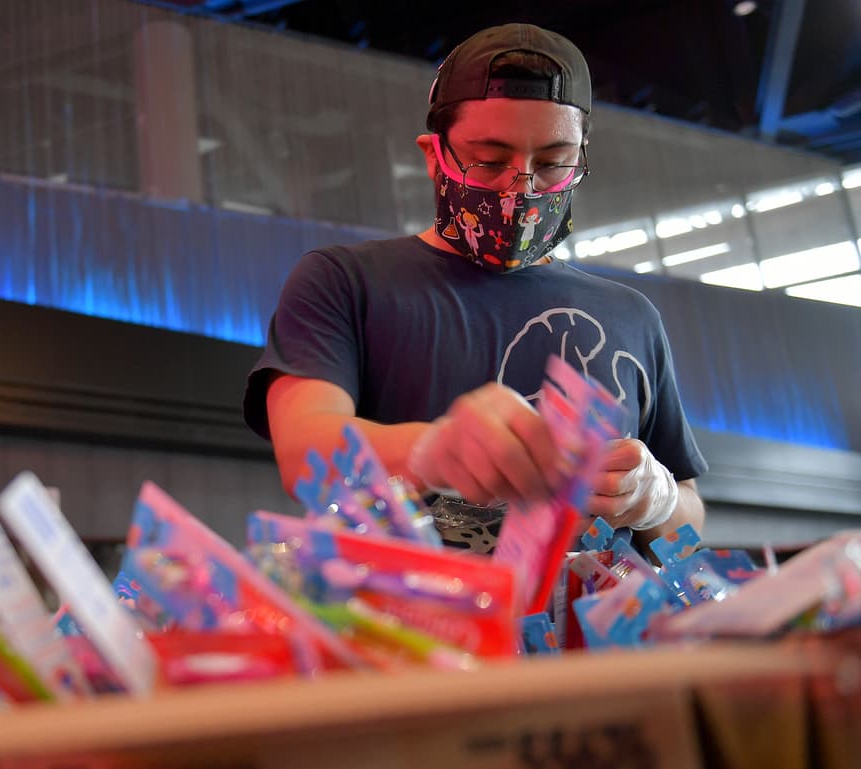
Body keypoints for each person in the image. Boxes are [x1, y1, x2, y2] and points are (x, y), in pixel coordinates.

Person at [243, 23, 706, 554]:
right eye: (488, 161)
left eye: (553, 164)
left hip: (599, 634)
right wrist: (430, 451)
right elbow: (305, 455)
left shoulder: (631, 315)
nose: (522, 188)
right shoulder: (346, 282)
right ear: (433, 157)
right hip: (412, 626)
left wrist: (660, 499)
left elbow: (690, 528)